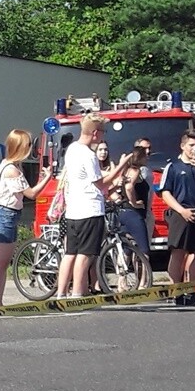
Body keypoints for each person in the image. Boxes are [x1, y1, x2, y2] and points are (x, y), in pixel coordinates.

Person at [55, 115, 130, 299]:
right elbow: (101, 184)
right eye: (103, 132)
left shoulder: (72, 149)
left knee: (70, 253)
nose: (104, 136)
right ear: (95, 133)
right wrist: (120, 167)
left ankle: (61, 292)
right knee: (86, 254)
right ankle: (77, 293)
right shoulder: (89, 155)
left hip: (73, 210)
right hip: (90, 209)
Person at [0, 129, 53, 309]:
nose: (31, 148)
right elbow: (31, 194)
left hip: (7, 215)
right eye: (28, 145)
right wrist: (47, 178)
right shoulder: (12, 169)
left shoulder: (9, 165)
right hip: (5, 215)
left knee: (1, 263)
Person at [161, 129, 195, 305]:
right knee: (178, 252)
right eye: (191, 145)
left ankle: (191, 289)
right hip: (180, 213)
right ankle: (176, 290)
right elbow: (166, 193)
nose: (194, 149)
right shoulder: (173, 167)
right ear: (183, 146)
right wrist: (181, 210)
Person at [119, 144, 151, 255]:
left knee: (128, 249)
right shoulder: (136, 171)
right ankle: (145, 272)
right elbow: (129, 187)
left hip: (124, 212)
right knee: (144, 250)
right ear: (140, 157)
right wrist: (134, 203)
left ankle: (122, 270)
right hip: (134, 213)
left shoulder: (125, 171)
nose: (147, 158)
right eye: (145, 156)